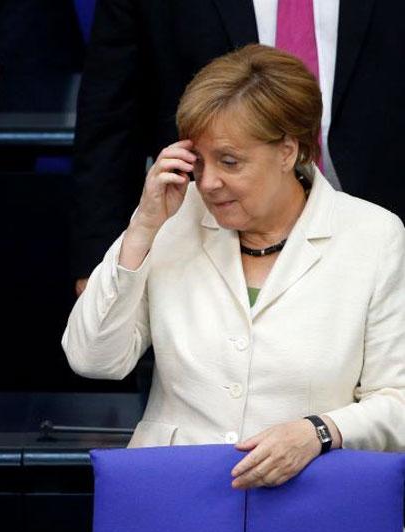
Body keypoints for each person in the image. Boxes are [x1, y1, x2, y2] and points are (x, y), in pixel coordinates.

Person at [63, 45, 405, 489]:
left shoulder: (372, 235)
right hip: (175, 493)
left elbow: (397, 401)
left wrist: (318, 432)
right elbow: (92, 358)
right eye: (198, 162)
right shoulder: (170, 220)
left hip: (314, 496)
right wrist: (142, 229)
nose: (207, 183)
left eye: (229, 162)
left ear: (288, 151)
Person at [72, 0, 405, 296]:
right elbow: (110, 116)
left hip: (383, 221)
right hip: (208, 239)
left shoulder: (381, 235)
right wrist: (99, 261)